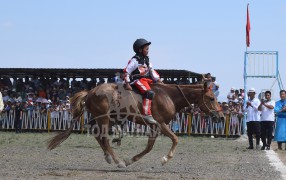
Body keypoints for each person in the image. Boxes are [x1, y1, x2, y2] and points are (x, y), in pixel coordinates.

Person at [124, 38, 162, 124]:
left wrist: (158, 80)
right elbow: (127, 71)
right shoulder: (135, 60)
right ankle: (146, 114)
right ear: (140, 50)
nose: (148, 50)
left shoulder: (147, 60)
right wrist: (127, 83)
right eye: (146, 49)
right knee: (149, 93)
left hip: (147, 80)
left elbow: (152, 70)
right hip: (137, 80)